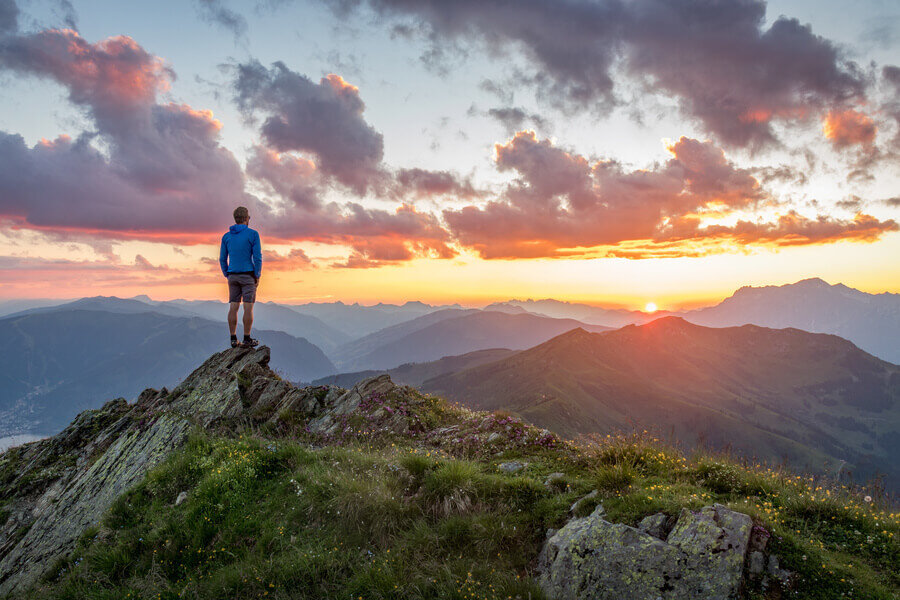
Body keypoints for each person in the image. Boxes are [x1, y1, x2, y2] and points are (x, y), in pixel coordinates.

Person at [219, 206, 262, 348]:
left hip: (232, 275)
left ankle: (233, 338)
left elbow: (222, 258)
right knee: (248, 307)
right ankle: (247, 338)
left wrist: (227, 273)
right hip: (248, 275)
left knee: (233, 306)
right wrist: (257, 275)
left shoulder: (226, 236)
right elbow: (257, 257)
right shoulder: (253, 234)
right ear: (246, 219)